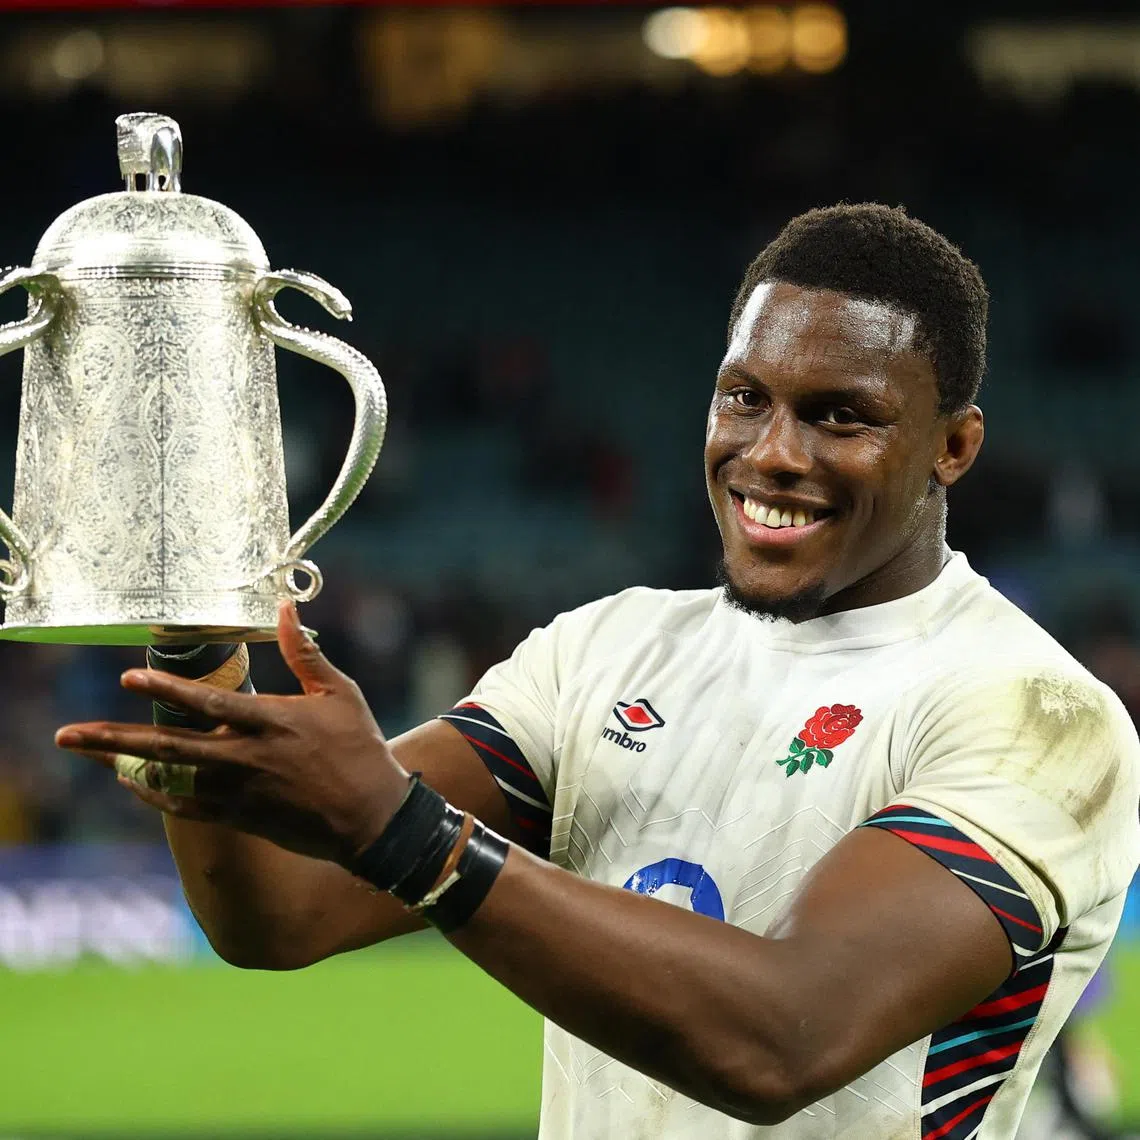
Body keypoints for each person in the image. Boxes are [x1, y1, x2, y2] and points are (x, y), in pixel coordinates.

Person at [56, 203, 1140, 1139]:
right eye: (743, 397)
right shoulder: (608, 650)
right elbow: (279, 915)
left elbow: (785, 1038)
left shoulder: (1036, 714)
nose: (770, 450)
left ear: (955, 447)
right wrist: (195, 632)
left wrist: (401, 827)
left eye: (840, 416)